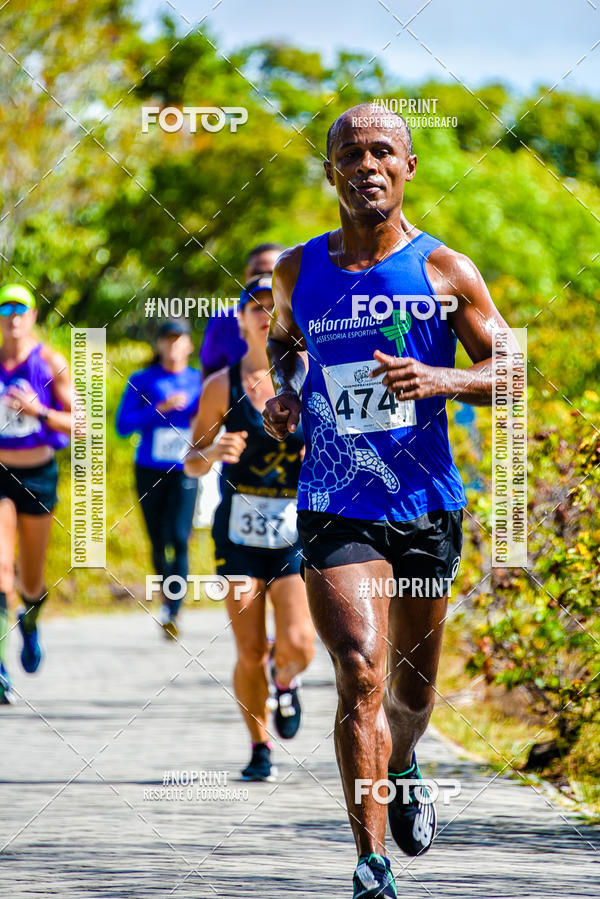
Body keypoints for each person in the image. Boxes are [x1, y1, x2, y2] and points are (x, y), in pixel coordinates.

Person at [263, 105, 514, 898]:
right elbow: (284, 348)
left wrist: (443, 379)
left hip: (424, 503)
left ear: (407, 168)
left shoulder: (445, 270)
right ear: (330, 171)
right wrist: (285, 396)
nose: (366, 165)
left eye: (381, 153)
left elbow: (511, 368)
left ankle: (404, 761)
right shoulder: (299, 272)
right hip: (336, 499)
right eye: (349, 154)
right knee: (360, 670)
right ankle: (370, 863)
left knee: (409, 693)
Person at [185, 275, 315, 781]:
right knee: (249, 650)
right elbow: (192, 461)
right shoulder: (221, 385)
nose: (264, 315)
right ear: (240, 320)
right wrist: (212, 452)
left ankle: (286, 683)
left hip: (293, 529)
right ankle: (259, 745)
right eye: (254, 308)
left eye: (273, 307)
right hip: (237, 534)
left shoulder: (310, 376)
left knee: (299, 644)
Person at [0, 284, 72, 704]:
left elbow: (78, 422)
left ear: (32, 316)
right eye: (5, 308)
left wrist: (37, 411)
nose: (12, 316)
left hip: (38, 476)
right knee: (0, 571)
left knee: (30, 579)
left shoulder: (48, 362)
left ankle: (29, 621)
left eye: (20, 309)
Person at [116, 320, 201, 640]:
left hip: (186, 469)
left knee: (179, 537)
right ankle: (167, 597)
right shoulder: (142, 379)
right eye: (167, 340)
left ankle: (173, 610)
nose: (174, 346)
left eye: (179, 340)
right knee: (157, 540)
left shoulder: (200, 380)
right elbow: (123, 425)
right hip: (149, 469)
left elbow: (216, 418)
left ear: (189, 345)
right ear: (159, 345)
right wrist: (158, 409)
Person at [199, 243, 284, 378]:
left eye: (273, 273)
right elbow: (209, 367)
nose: (265, 279)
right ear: (247, 274)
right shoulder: (223, 320)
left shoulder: (302, 316)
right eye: (258, 273)